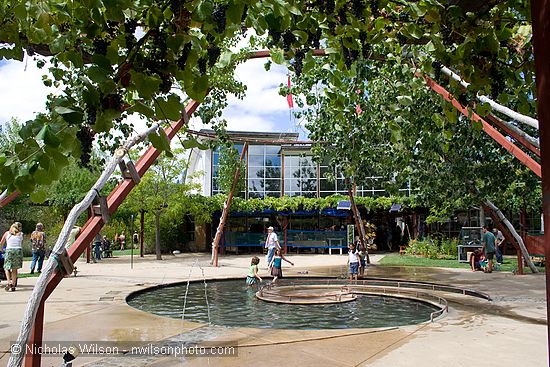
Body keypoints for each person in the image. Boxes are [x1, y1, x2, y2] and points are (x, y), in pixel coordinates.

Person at [1, 222, 24, 291]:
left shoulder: (6, 233)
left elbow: (1, 243)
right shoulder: (21, 234)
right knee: (15, 269)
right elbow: (20, 243)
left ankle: (9, 282)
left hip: (9, 250)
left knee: (6, 267)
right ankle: (13, 285)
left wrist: (2, 250)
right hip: (18, 251)